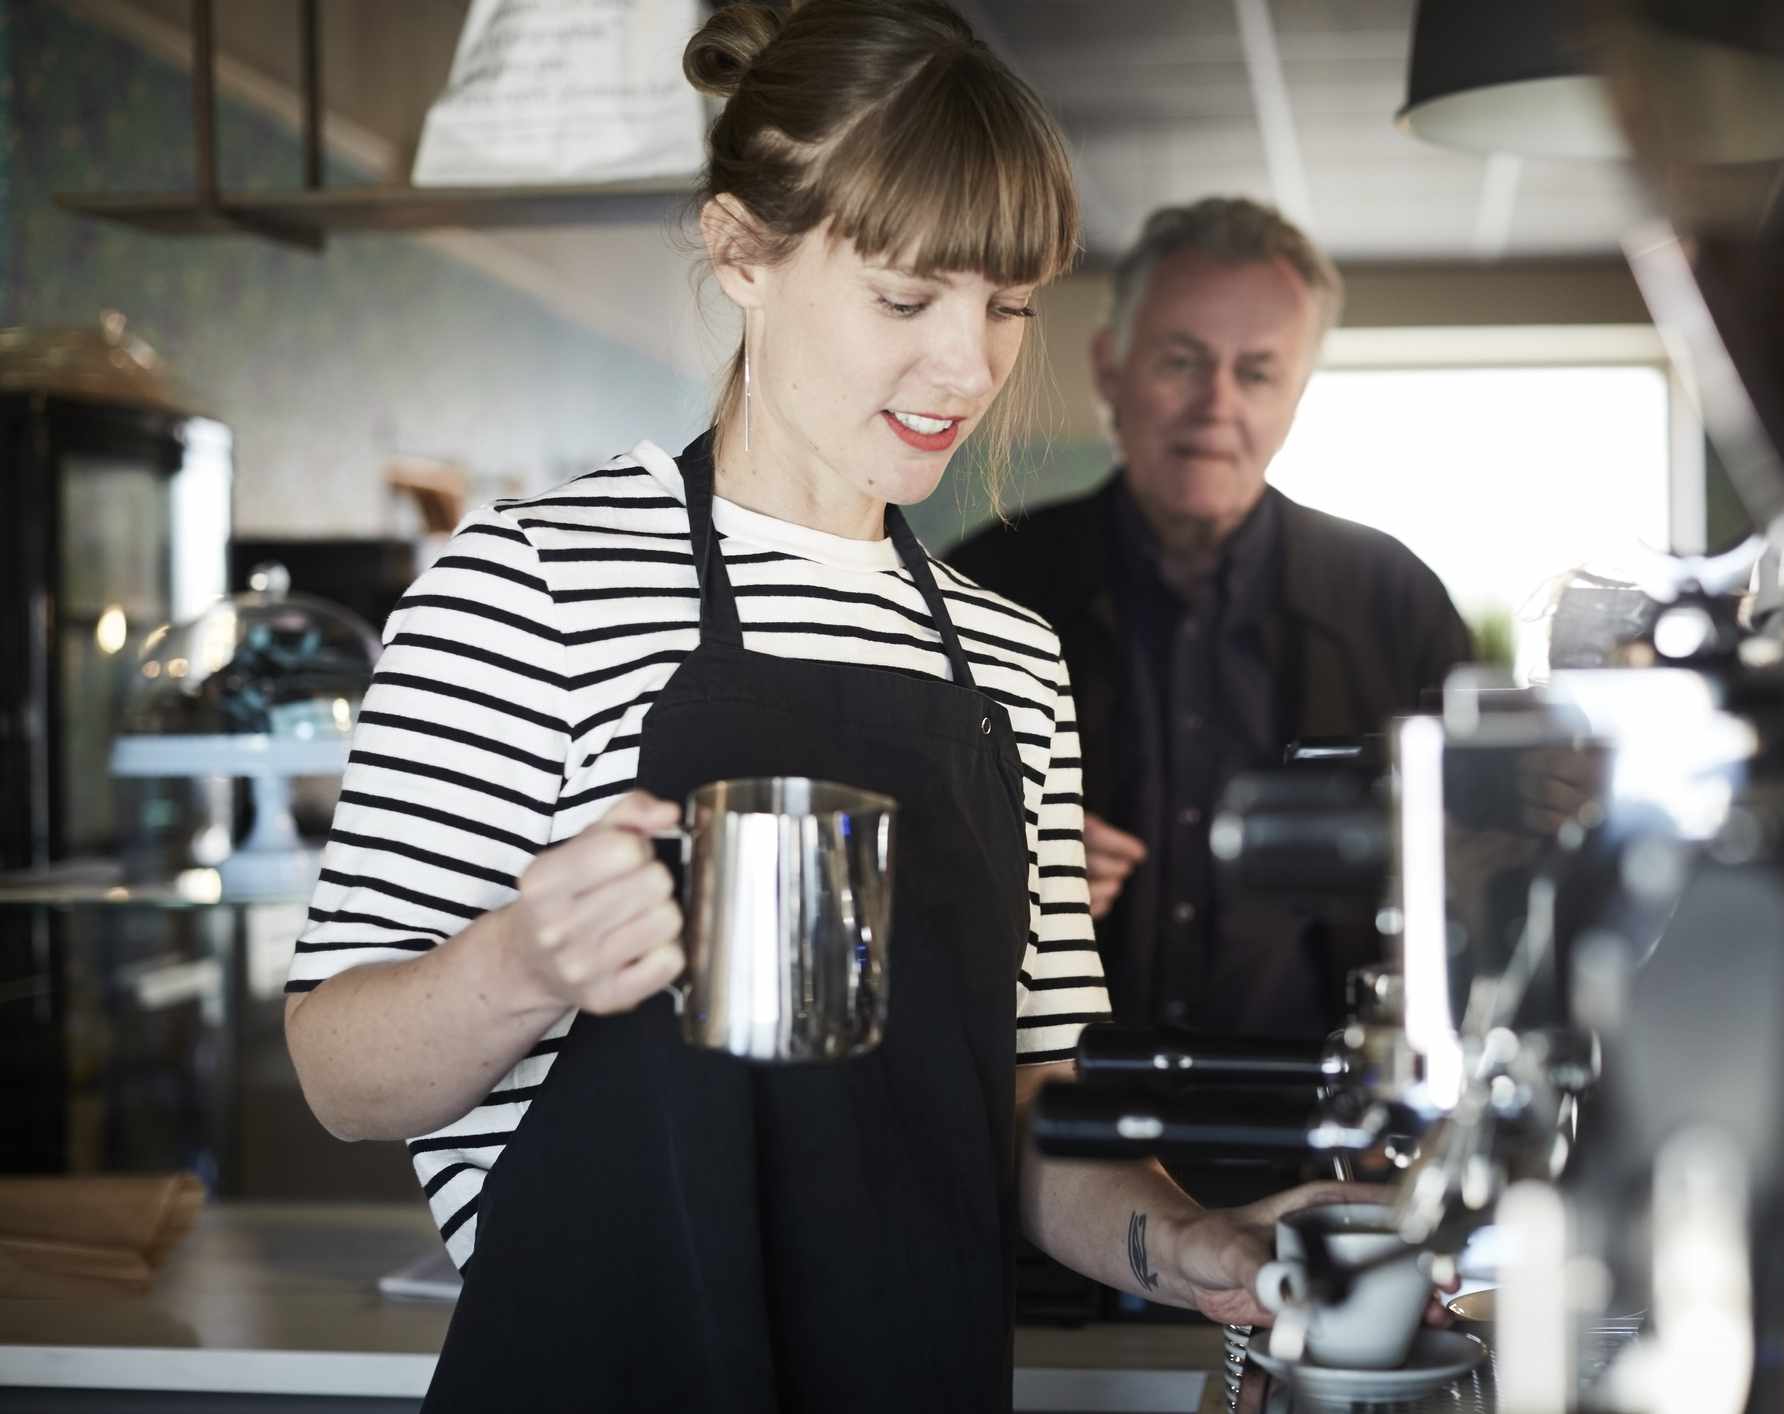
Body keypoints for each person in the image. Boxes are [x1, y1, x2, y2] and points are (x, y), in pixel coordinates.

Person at [281, 6, 1379, 1409]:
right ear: (741, 249)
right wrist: (522, 963)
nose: (969, 369)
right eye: (908, 299)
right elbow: (337, 1073)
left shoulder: (1010, 658)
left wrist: (1189, 1242)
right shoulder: (532, 583)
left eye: (1007, 304)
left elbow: (1033, 1100)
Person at [951, 197, 1471, 1045]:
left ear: (1295, 397)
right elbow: (910, 874)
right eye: (1180, 362)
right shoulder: (985, 586)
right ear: (1109, 370)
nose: (1214, 405)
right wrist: (1000, 869)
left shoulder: (1394, 599)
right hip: (1050, 1123)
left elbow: (1476, 871)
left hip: (1327, 1127)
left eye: (1257, 372)